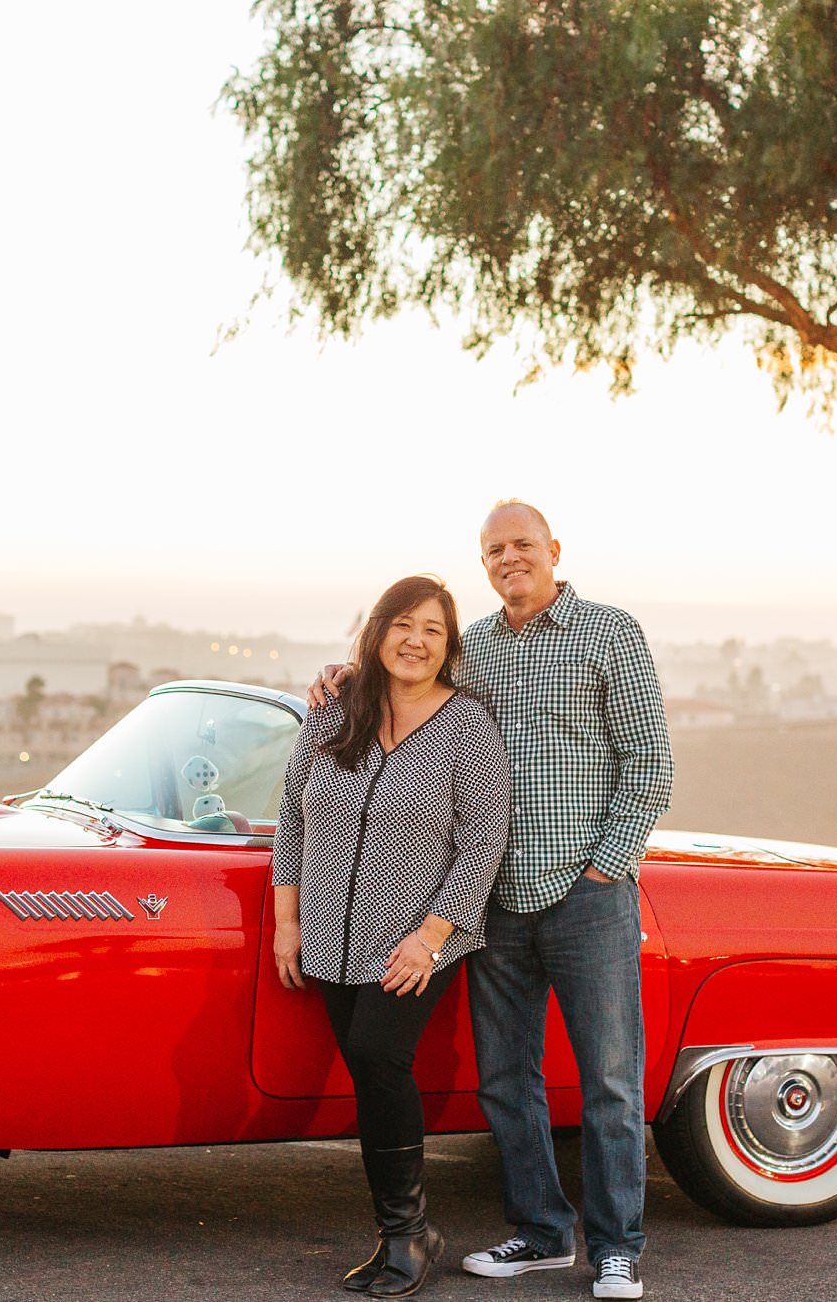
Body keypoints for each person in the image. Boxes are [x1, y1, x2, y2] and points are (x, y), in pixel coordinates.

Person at [313, 503, 673, 1301]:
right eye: (494, 550)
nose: (509, 558)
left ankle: (616, 1248)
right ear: (484, 564)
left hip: (586, 892)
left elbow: (649, 760)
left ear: (553, 550)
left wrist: (605, 868)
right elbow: (412, 687)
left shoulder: (609, 632)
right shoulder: (469, 647)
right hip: (492, 903)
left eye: (521, 545)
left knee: (610, 1078)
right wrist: (343, 675)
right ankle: (543, 1232)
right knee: (508, 1078)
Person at [273, 574, 511, 1298]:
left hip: (416, 936)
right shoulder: (335, 709)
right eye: (403, 624)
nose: (416, 639)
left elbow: (483, 841)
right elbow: (291, 814)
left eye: (433, 629)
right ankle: (400, 1233)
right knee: (371, 1074)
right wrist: (288, 924)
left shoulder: (468, 723)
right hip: (328, 938)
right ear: (376, 632)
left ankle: (407, 1234)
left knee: (380, 1055)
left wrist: (431, 937)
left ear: (449, 646)